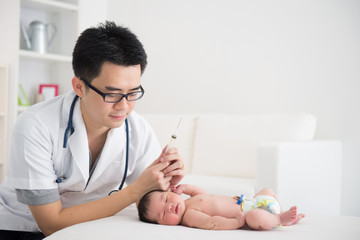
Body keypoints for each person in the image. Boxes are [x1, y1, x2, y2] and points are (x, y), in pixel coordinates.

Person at [0, 21, 185, 239]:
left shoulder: (137, 129)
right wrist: (135, 191)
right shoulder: (34, 126)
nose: (124, 107)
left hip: (90, 226)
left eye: (133, 93)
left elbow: (149, 196)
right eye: (112, 94)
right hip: (23, 228)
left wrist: (165, 182)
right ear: (79, 86)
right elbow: (50, 224)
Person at [137, 184, 305, 230]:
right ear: (163, 225)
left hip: (251, 201)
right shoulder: (189, 216)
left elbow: (203, 195)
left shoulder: (188, 202)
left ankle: (281, 212)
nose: (169, 207)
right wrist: (236, 223)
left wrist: (185, 188)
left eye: (166, 199)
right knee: (254, 217)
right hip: (248, 212)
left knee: (267, 191)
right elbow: (212, 222)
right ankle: (279, 218)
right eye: (163, 214)